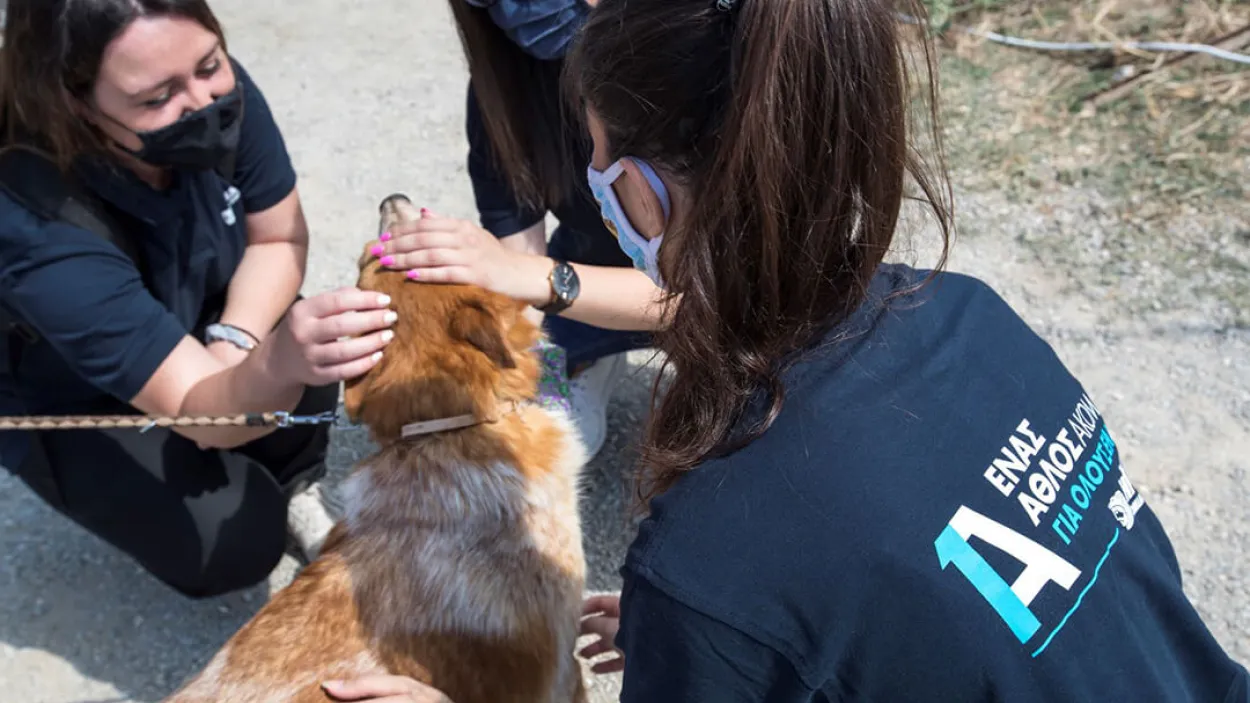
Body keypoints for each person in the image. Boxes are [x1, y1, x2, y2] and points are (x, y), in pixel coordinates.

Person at [335, 0, 1250, 701]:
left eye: (599, 162)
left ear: (642, 196)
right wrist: (702, 641)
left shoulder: (715, 553)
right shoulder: (967, 312)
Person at [0, 0, 397, 599]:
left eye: (210, 63)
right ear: (75, 103)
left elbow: (279, 236)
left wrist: (233, 341)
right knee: (230, 538)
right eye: (157, 99)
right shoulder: (36, 223)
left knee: (301, 344)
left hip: (192, 318)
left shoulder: (204, 86)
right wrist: (271, 361)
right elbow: (207, 416)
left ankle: (292, 484)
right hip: (71, 390)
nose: (203, 102)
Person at [371, 0, 665, 460]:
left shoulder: (699, 54)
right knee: (545, 433)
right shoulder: (505, 86)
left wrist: (536, 277)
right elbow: (520, 283)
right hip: (585, 278)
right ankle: (588, 355)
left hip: (728, 304)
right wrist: (522, 383)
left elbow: (717, 296)